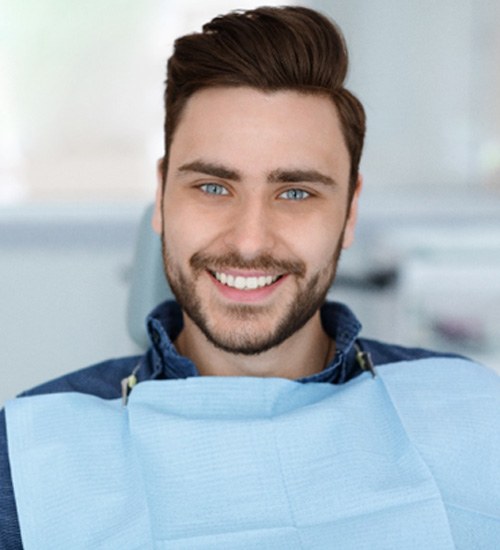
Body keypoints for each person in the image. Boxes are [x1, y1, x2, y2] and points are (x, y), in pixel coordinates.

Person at [1, 5, 499, 549]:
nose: (249, 241)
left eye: (296, 193)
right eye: (214, 187)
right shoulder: (30, 451)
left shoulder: (473, 415)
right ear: (163, 196)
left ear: (350, 212)